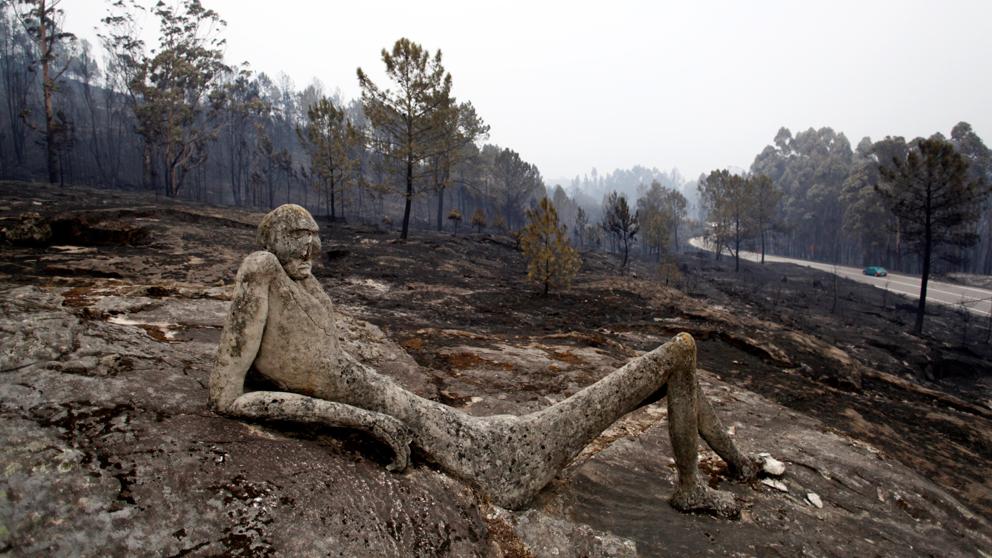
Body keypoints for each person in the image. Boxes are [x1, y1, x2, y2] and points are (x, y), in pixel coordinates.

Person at [210, 204, 759, 515]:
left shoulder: (305, 291)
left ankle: (729, 467)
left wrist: (375, 410)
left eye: (314, 237)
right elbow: (228, 396)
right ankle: (697, 484)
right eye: (295, 237)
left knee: (676, 361)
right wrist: (361, 420)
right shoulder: (261, 270)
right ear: (270, 239)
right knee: (676, 354)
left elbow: (326, 369)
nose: (308, 249)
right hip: (495, 463)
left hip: (479, 434)